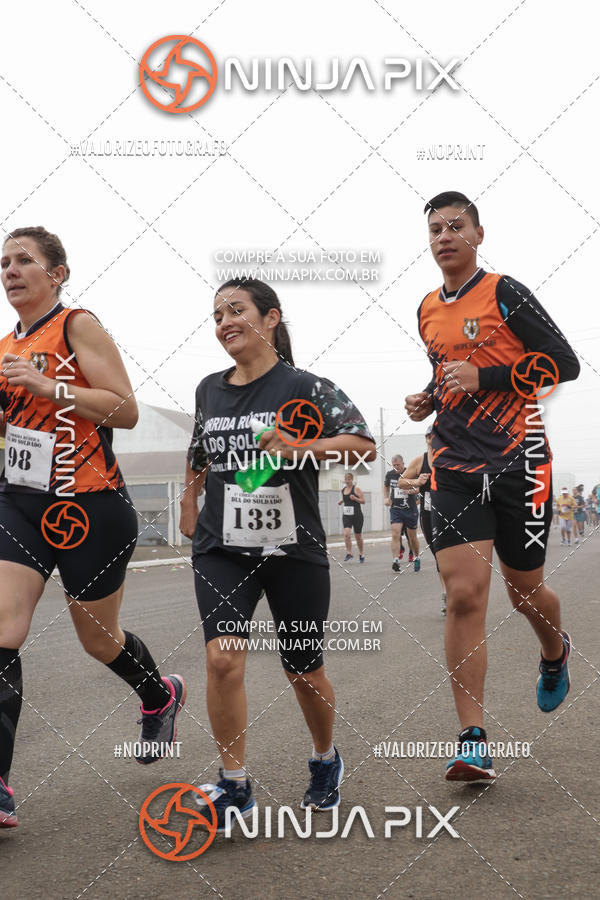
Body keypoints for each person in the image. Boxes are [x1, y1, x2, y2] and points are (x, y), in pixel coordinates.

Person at [0, 227, 185, 829]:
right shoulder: (5, 347)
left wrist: (50, 386)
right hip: (22, 503)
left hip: (90, 506)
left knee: (97, 641)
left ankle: (159, 693)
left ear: (57, 273)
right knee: (3, 629)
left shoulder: (76, 324)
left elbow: (125, 410)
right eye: (4, 262)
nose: (11, 270)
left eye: (24, 259)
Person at [179, 278, 376, 829]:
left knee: (303, 670)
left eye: (235, 310)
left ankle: (325, 759)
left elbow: (363, 448)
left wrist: (302, 447)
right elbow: (199, 448)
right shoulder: (208, 389)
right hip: (223, 546)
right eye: (217, 316)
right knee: (222, 657)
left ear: (270, 318)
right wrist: (190, 498)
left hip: (292, 548)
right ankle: (234, 783)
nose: (224, 323)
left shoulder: (307, 387)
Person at [405, 191, 580, 782]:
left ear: (479, 234)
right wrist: (428, 398)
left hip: (520, 461)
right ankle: (472, 739)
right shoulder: (427, 306)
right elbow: (445, 372)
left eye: (456, 226)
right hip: (453, 463)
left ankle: (555, 652)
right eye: (434, 229)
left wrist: (490, 375)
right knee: (465, 594)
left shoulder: (507, 292)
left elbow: (564, 363)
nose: (444, 236)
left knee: (524, 590)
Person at [400, 426, 447, 611]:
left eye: (436, 435)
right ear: (426, 438)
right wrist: (417, 481)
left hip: (450, 511)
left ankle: (455, 592)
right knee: (439, 555)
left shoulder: (450, 458)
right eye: (429, 436)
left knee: (452, 555)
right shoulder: (420, 461)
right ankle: (446, 594)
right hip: (429, 514)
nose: (432, 439)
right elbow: (402, 481)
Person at [384, 455, 421, 572]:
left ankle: (416, 557)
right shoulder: (390, 475)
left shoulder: (410, 473)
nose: (396, 467)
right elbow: (386, 486)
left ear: (403, 463)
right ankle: (395, 560)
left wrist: (409, 491)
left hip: (410, 509)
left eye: (398, 465)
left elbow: (420, 487)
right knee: (395, 533)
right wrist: (386, 498)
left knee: (412, 537)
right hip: (396, 509)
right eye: (394, 465)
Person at [338, 472, 366, 562]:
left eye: (349, 479)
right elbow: (346, 498)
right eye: (346, 479)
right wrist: (341, 501)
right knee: (346, 534)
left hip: (357, 515)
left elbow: (363, 501)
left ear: (352, 479)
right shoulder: (343, 490)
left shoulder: (356, 489)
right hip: (347, 515)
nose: (347, 481)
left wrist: (355, 499)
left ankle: (361, 553)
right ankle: (349, 553)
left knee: (358, 536)